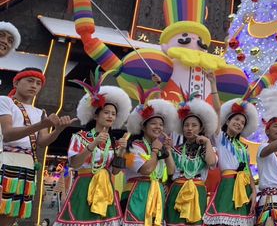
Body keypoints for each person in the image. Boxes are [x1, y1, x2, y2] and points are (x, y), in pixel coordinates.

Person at [54, 69, 132, 226]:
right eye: (106, 112)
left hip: (106, 188)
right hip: (84, 185)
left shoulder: (115, 142)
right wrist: (93, 144)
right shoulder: (80, 137)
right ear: (96, 115)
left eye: (113, 114)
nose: (110, 116)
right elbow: (74, 164)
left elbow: (115, 172)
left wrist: (122, 151)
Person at [0, 67, 75, 225]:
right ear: (16, 82)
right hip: (4, 160)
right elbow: (8, 134)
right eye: (29, 80)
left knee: (12, 212)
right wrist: (40, 124)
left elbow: (42, 142)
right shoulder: (5, 101)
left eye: (38, 83)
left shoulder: (40, 112)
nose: (34, 85)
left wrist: (59, 129)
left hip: (27, 165)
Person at [122, 88, 178, 226]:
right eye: (153, 123)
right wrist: (154, 151)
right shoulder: (132, 146)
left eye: (161, 124)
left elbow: (171, 170)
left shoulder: (158, 145)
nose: (158, 127)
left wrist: (168, 150)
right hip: (136, 193)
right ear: (143, 126)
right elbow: (146, 170)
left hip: (156, 193)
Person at [204, 92, 258, 226]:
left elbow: (248, 171)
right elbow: (217, 110)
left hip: (244, 188)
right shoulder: (220, 137)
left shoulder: (243, 147)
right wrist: (213, 85)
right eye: (236, 120)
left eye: (242, 123)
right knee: (223, 221)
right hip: (228, 185)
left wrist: (254, 190)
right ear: (227, 121)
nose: (239, 123)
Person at [166, 93, 218, 226]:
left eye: (194, 125)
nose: (189, 128)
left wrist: (207, 143)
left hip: (198, 190)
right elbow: (171, 172)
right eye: (186, 125)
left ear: (201, 128)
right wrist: (167, 150)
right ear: (182, 128)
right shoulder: (175, 149)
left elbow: (212, 163)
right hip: (178, 190)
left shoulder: (207, 148)